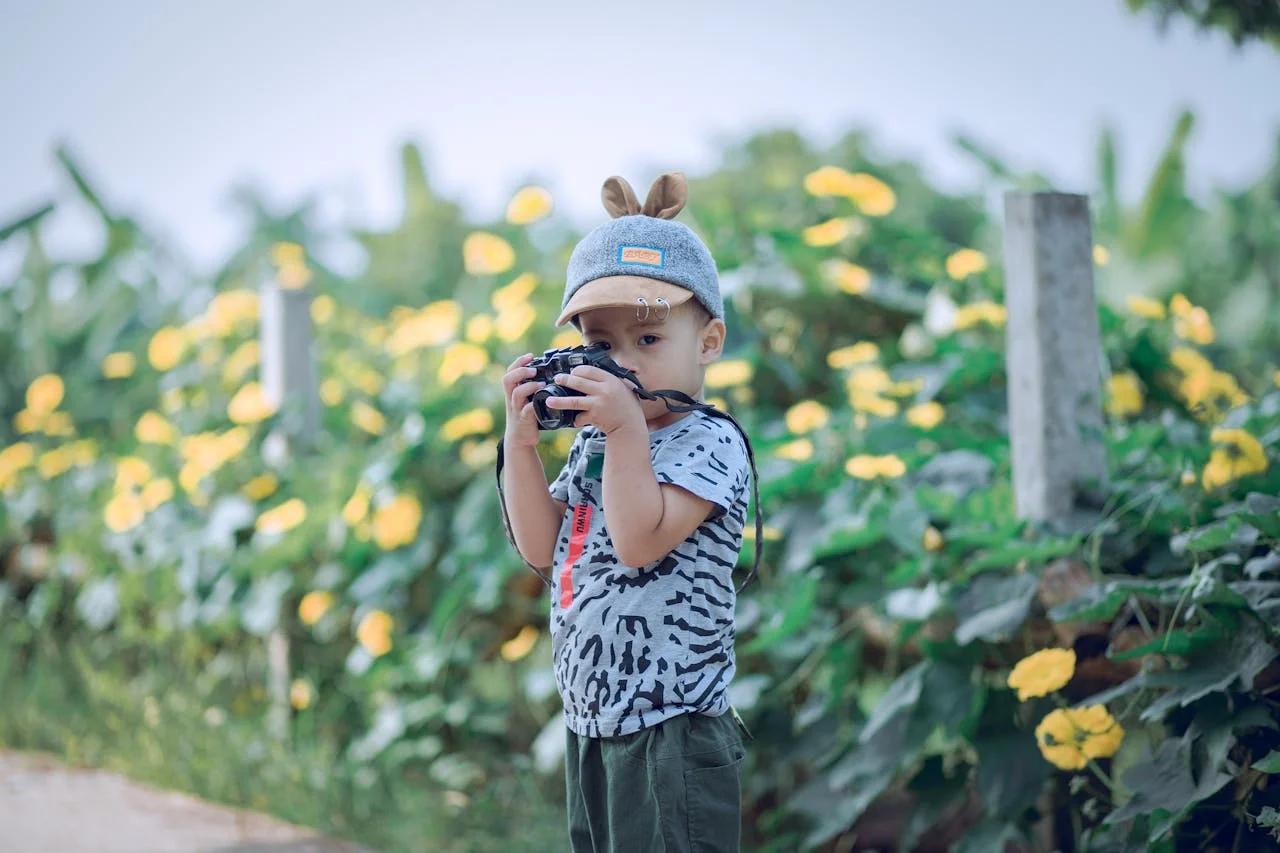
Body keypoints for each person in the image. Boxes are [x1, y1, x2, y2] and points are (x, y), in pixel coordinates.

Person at [500, 172, 752, 852]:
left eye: (648, 340)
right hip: (593, 720)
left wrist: (624, 434)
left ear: (707, 342)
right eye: (602, 345)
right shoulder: (595, 441)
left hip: (672, 728)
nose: (622, 364)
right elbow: (542, 547)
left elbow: (640, 540)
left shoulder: (712, 442)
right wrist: (520, 445)